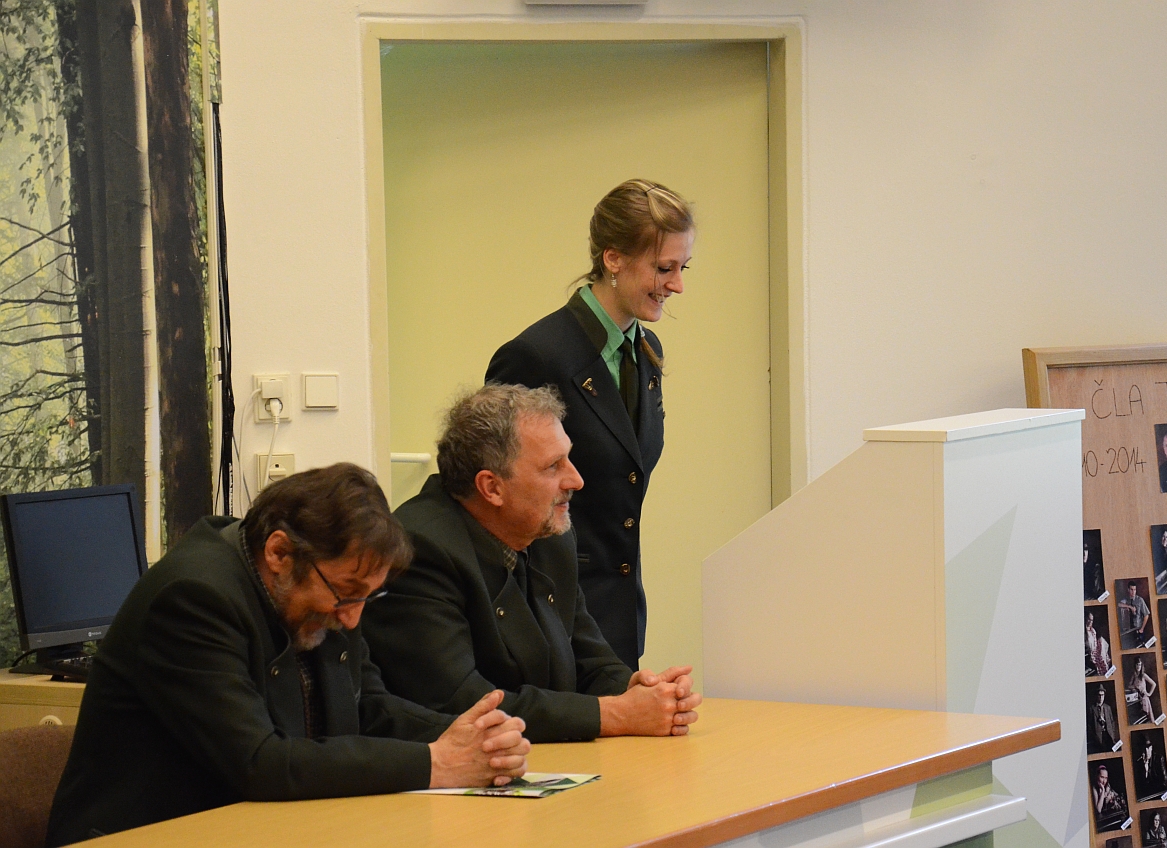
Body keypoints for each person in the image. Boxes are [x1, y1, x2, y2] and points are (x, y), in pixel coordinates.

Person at [44, 464, 531, 845]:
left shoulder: (326, 588)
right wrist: (436, 762)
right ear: (279, 553)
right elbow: (259, 762)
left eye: (368, 597)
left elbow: (370, 708)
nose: (353, 619)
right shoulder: (193, 599)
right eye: (347, 594)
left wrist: (475, 740)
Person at [364, 384, 701, 743]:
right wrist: (616, 714)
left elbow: (589, 659)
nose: (576, 480)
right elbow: (461, 702)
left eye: (568, 458)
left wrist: (636, 689)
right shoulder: (419, 550)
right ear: (492, 488)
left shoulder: (549, 534)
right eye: (553, 466)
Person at [485, 179, 694, 670]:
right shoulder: (535, 356)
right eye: (663, 268)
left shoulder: (646, 350)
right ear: (613, 259)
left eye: (682, 268)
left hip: (620, 614)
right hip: (551, 616)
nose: (677, 285)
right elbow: (499, 501)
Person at [1133, 736, 1167, 801]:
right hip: (1146, 797)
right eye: (1144, 749)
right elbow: (1140, 786)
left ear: (1151, 748)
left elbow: (1164, 782)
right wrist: (1145, 770)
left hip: (1159, 794)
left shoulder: (1159, 759)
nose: (1146, 751)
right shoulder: (1139, 763)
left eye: (1148, 748)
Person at [1088, 684, 1120, 753]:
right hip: (1098, 737)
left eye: (1102, 695)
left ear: (1104, 696)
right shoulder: (1092, 708)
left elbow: (1112, 722)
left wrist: (1112, 733)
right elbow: (1089, 725)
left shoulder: (1107, 708)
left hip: (1108, 735)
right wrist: (1094, 736)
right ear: (1096, 696)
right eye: (1099, 695)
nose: (1101, 697)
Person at [1120, 581, 1152, 649]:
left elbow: (1146, 615)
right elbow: (1119, 604)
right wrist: (1130, 607)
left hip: (1138, 629)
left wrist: (1142, 629)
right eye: (1131, 590)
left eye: (1134, 590)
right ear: (1128, 590)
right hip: (1129, 630)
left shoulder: (1140, 600)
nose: (1133, 592)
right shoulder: (1126, 599)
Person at [1128, 657, 1159, 725]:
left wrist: (1149, 694)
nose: (1138, 666)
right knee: (1139, 718)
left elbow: (1154, 684)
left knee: (1148, 717)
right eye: (1137, 664)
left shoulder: (1144, 675)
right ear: (1135, 665)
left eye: (1139, 665)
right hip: (1137, 699)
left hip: (1144, 698)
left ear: (1141, 665)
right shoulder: (1134, 675)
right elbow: (1129, 686)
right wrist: (1135, 687)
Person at [1085, 611, 1112, 677]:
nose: (1090, 622)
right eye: (1088, 619)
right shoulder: (1084, 632)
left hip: (1096, 649)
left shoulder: (1093, 630)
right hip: (1089, 652)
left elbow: (1095, 641)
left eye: (1091, 620)